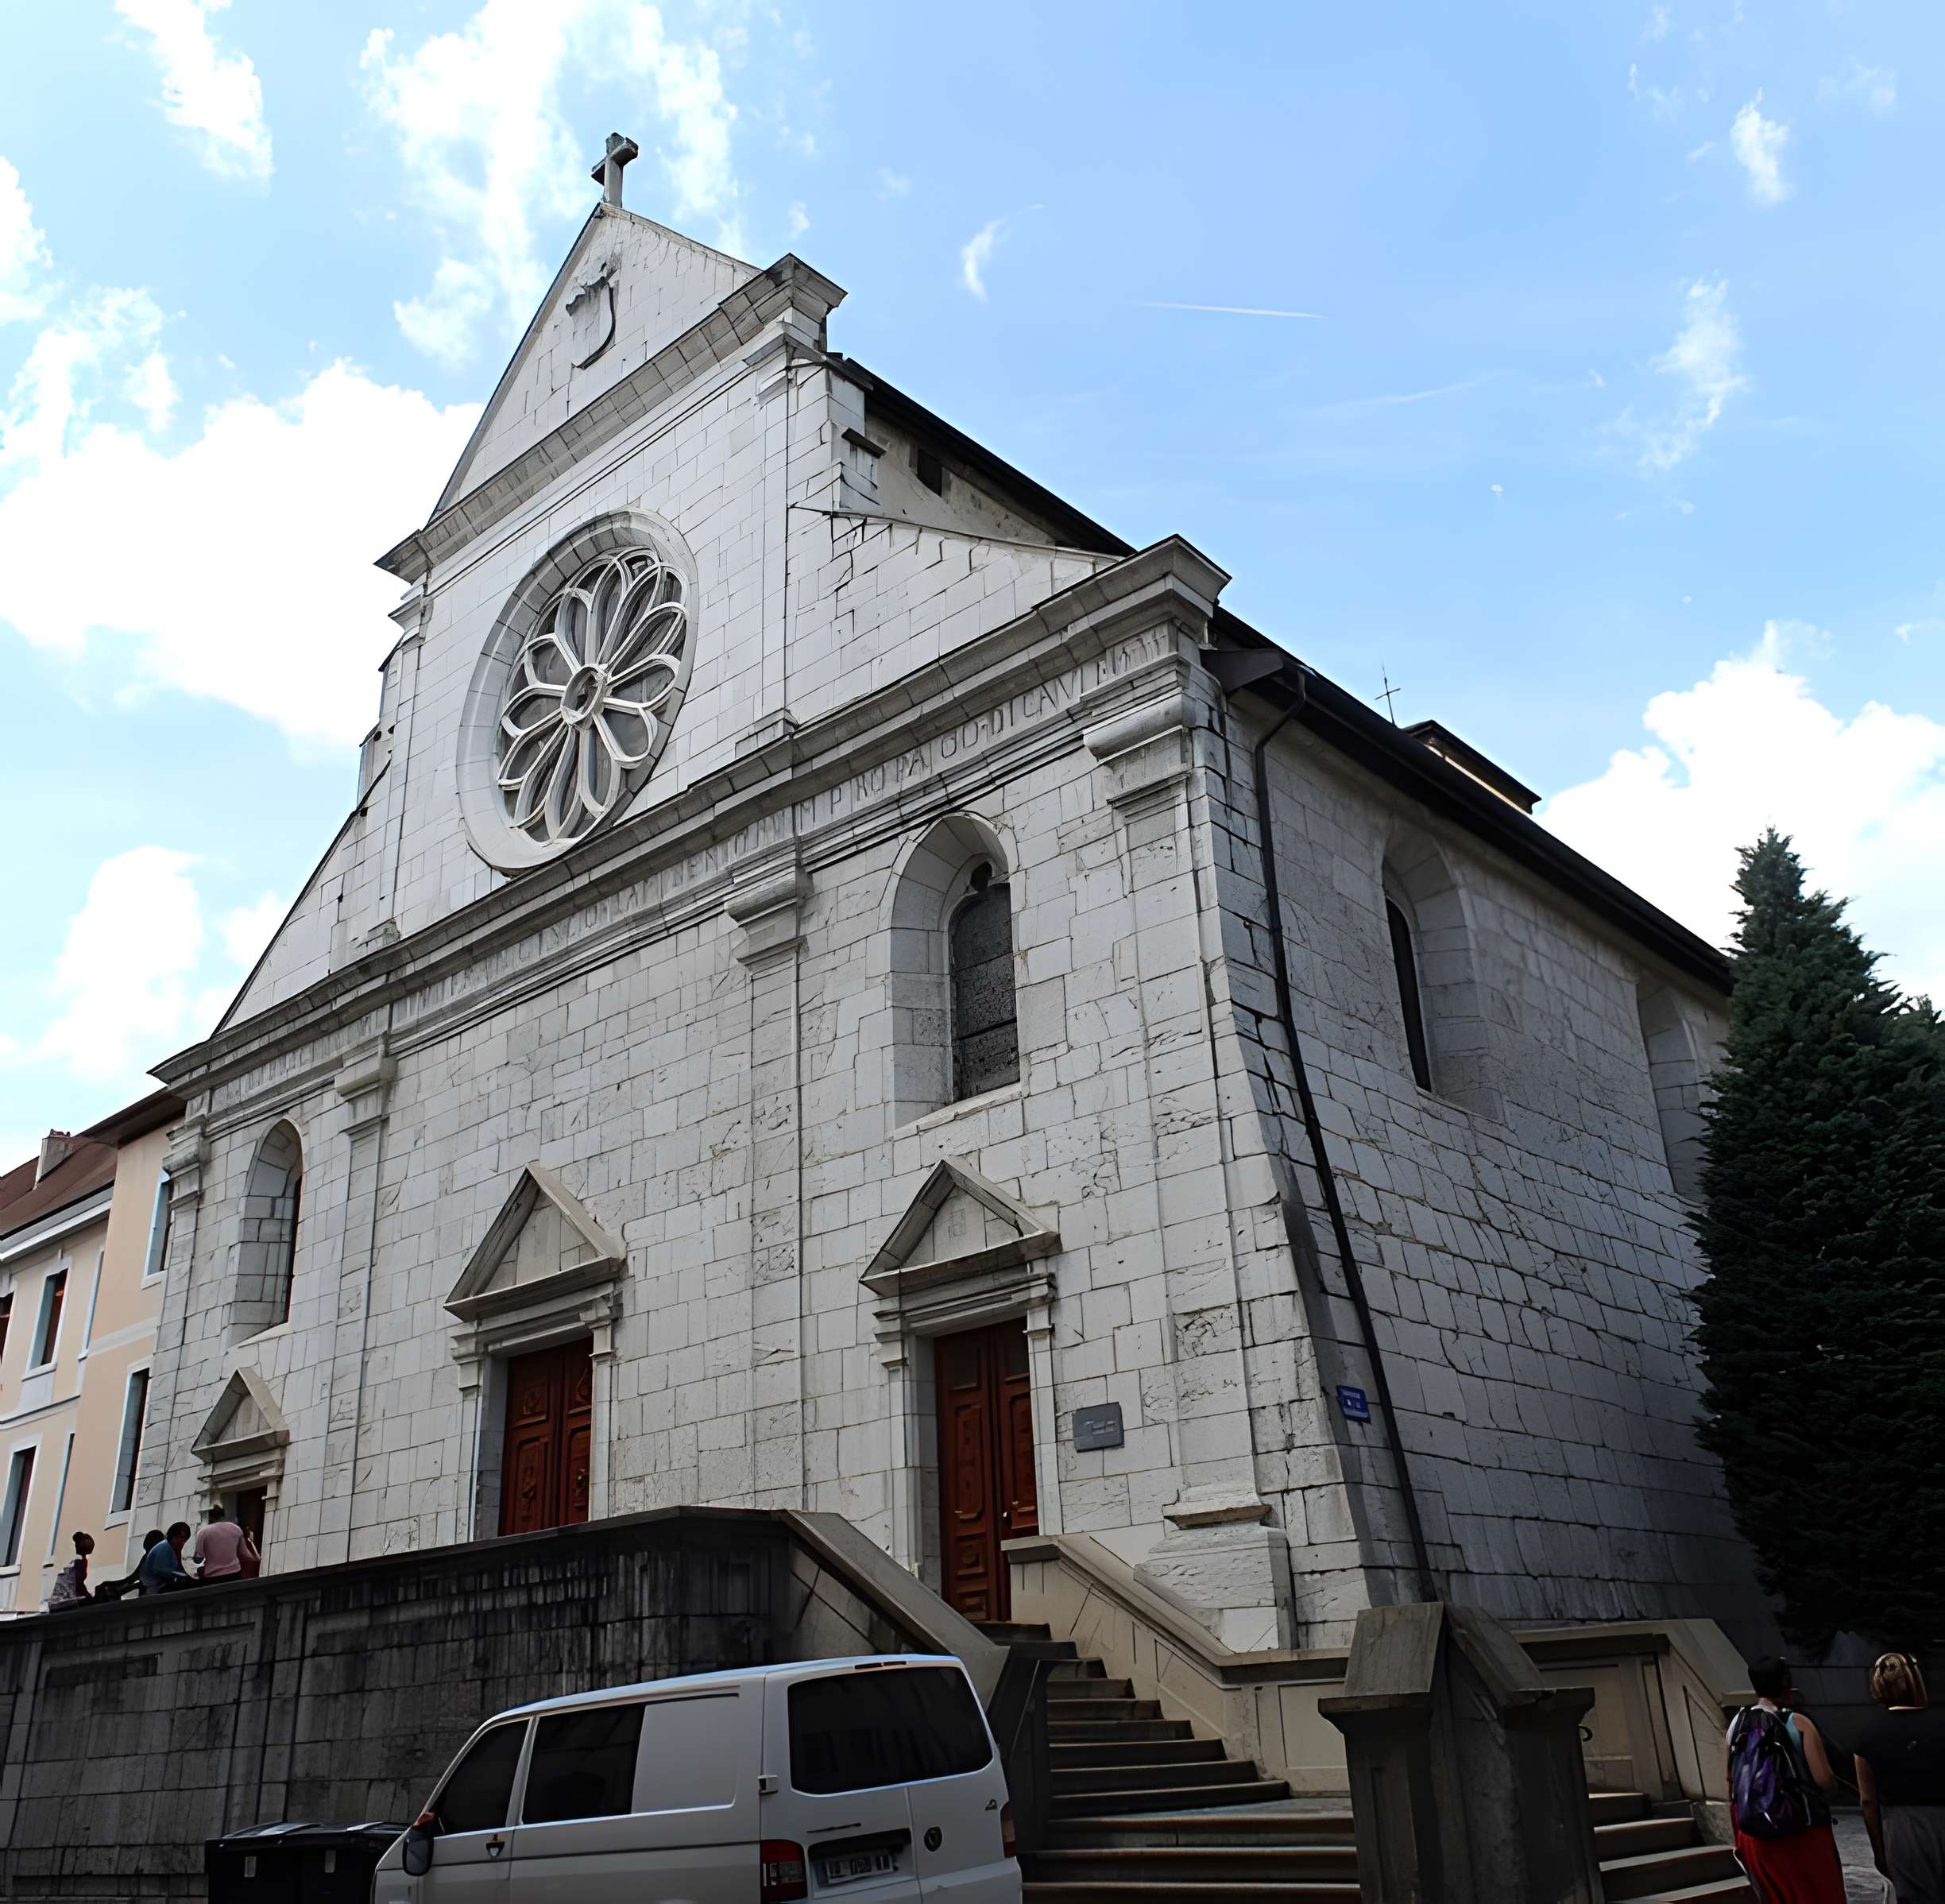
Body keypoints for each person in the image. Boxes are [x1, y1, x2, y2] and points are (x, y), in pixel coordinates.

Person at [1725, 1655, 1846, 1902]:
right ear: (1785, 1683)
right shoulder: (1797, 1723)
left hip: (1754, 1834)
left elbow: (1731, 1780)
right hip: (1802, 1832)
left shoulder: (1737, 1723)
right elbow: (1824, 1780)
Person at [1855, 1652, 1945, 1901]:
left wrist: (1879, 1852)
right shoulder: (1941, 1724)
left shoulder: (1869, 1735)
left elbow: (1868, 1802)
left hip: (1903, 1829)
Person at [92, 1529, 165, 1603]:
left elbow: (144, 1581)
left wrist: (123, 1588)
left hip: (156, 1598)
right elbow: (133, 1578)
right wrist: (112, 1585)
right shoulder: (148, 1557)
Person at [191, 1504, 256, 1584]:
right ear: (223, 1515)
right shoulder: (236, 1529)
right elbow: (244, 1553)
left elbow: (198, 1558)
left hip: (213, 1577)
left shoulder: (203, 1532)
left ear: (209, 1517)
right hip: (234, 1574)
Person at [137, 1522, 195, 1595]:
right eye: (179, 1538)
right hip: (155, 1591)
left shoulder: (173, 1551)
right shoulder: (163, 1550)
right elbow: (163, 1571)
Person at [45, 1531, 94, 1611]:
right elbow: (76, 1586)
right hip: (62, 1605)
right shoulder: (77, 1565)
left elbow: (79, 1585)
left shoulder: (79, 1563)